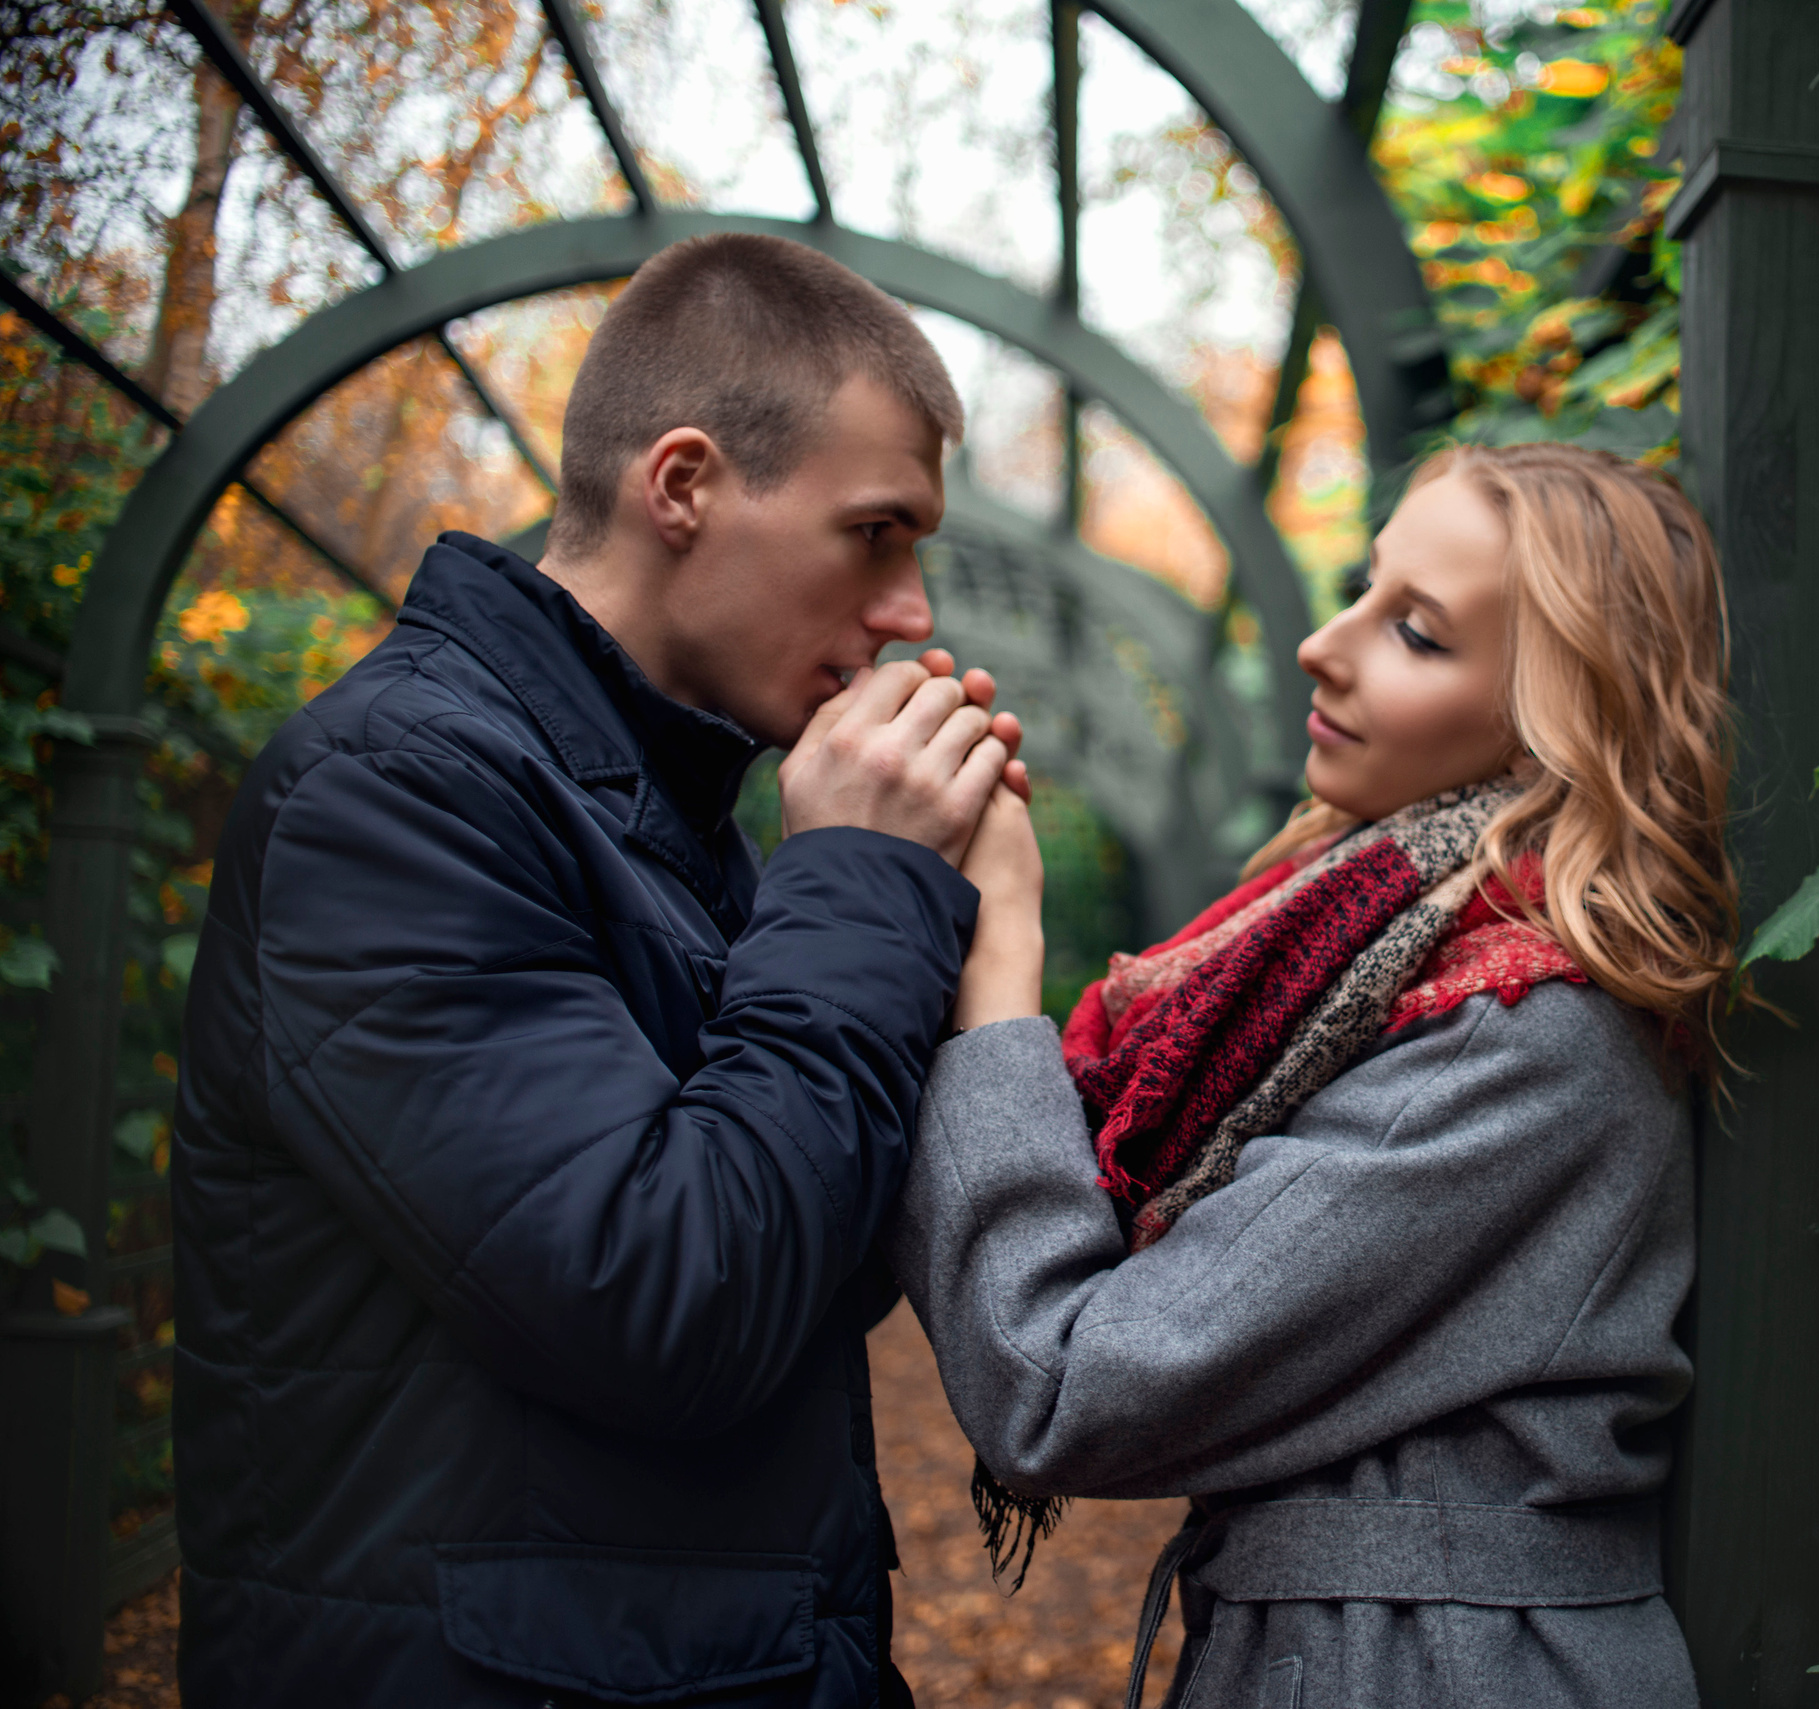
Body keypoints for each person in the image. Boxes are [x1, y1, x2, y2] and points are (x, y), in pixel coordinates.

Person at [173, 233, 1024, 1707]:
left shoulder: (671, 824)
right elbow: (669, 1302)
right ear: (683, 484)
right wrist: (863, 885)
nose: (909, 612)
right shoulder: (395, 791)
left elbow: (803, 1268)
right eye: (874, 532)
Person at [892, 441, 1739, 1707]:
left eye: (1416, 631)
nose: (1318, 645)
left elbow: (1065, 1386)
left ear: (1559, 715)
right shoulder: (1376, 960)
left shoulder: (1519, 1034)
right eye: (1362, 587)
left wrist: (999, 973)